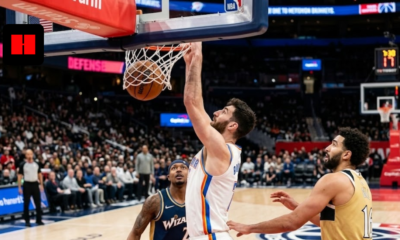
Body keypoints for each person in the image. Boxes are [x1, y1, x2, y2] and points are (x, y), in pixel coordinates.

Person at [227, 127, 373, 240]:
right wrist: (298, 207)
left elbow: (292, 222)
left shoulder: (333, 179)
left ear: (346, 154)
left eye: (334, 145)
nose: (327, 148)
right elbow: (330, 223)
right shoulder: (361, 183)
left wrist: (249, 227)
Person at [183, 42, 257, 240]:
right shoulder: (221, 149)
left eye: (223, 112)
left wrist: (197, 56)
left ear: (232, 126)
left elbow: (191, 103)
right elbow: (197, 105)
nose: (215, 112)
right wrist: (189, 63)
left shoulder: (221, 150)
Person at [127, 160, 189, 240]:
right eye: (174, 168)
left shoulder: (199, 200)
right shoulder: (154, 201)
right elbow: (135, 234)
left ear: (190, 174)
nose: (178, 170)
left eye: (183, 167)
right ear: (169, 177)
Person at [17, 149, 44, 227]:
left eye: (30, 154)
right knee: (26, 204)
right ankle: (27, 221)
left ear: (33, 154)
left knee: (38, 203)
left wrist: (41, 185)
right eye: (27, 154)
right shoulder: (23, 164)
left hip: (35, 184)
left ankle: (39, 220)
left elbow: (40, 175)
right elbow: (19, 176)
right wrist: (19, 187)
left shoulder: (37, 163)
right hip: (27, 184)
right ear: (25, 155)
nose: (29, 156)